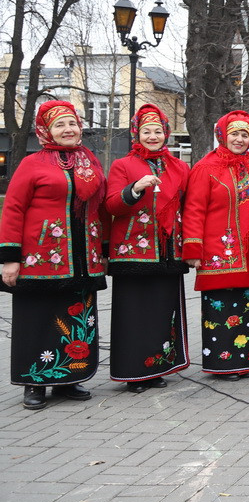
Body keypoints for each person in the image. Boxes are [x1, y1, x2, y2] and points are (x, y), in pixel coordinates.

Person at [0, 101, 107, 410]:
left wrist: (102, 251)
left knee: (73, 315)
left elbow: (98, 208)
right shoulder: (33, 163)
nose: (68, 130)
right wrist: (10, 257)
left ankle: (68, 379)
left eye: (72, 123)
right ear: (46, 130)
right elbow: (13, 209)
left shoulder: (90, 162)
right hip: (42, 259)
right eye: (60, 125)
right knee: (37, 319)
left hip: (81, 259)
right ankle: (34, 382)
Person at [105, 104, 191, 392]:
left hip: (167, 250)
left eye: (157, 131)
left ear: (166, 134)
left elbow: (187, 206)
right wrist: (135, 188)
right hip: (133, 250)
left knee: (161, 311)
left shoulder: (179, 167)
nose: (152, 136)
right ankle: (133, 372)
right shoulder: (123, 165)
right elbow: (111, 205)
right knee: (133, 312)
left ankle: (157, 367)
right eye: (146, 131)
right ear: (136, 134)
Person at [183, 110, 249, 380]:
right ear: (222, 135)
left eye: (245, 134)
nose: (240, 139)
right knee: (222, 307)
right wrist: (193, 249)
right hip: (219, 251)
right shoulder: (206, 167)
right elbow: (194, 209)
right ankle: (224, 364)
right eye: (235, 134)